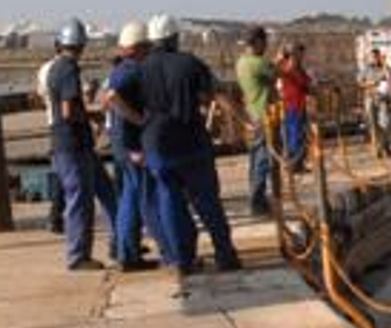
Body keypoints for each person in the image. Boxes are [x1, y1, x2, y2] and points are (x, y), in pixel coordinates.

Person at [128, 14, 240, 274]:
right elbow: (217, 95)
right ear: (175, 38)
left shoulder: (140, 69)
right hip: (191, 145)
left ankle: (182, 261)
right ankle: (225, 256)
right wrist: (242, 123)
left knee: (170, 205)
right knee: (208, 203)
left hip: (157, 148)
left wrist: (139, 125)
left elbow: (113, 99)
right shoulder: (190, 63)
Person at [44, 18, 118, 272]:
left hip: (75, 143)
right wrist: (93, 115)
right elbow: (68, 110)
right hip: (72, 143)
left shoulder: (55, 67)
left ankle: (120, 240)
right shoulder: (68, 69)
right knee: (80, 200)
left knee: (107, 191)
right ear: (81, 45)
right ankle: (77, 255)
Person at [102, 22, 161, 272]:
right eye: (147, 46)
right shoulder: (131, 71)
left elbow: (106, 97)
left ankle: (127, 253)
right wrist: (139, 119)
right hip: (132, 146)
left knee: (129, 198)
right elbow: (111, 97)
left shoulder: (119, 69)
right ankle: (170, 250)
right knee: (148, 199)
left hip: (121, 146)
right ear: (138, 48)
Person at [235, 26, 276, 215]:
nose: (266, 45)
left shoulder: (241, 62)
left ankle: (256, 197)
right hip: (263, 115)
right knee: (263, 160)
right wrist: (282, 59)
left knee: (254, 159)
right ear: (258, 42)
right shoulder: (257, 63)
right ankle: (257, 201)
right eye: (264, 41)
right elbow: (279, 73)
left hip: (251, 113)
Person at [36, 51, 66, 233]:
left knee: (58, 170)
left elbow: (39, 93)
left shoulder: (44, 69)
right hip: (66, 126)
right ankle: (56, 215)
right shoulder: (67, 67)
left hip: (52, 122)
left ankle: (55, 215)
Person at [277, 42, 312, 172]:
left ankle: (298, 164)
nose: (302, 56)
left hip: (300, 105)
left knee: (301, 136)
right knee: (294, 136)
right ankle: (292, 164)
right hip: (292, 106)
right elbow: (302, 83)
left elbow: (307, 82)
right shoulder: (287, 68)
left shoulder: (299, 68)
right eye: (299, 53)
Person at [362, 48, 391, 158]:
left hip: (383, 99)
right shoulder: (366, 69)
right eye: (372, 57)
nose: (375, 59)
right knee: (373, 125)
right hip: (370, 98)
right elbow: (360, 83)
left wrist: (385, 65)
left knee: (386, 124)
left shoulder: (385, 68)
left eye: (376, 56)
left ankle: (385, 145)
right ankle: (379, 148)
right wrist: (371, 84)